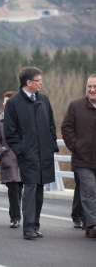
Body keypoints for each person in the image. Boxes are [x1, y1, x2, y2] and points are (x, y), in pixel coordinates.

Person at [4, 67, 58, 240]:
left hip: (44, 154)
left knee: (40, 192)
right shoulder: (14, 103)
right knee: (30, 189)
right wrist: (22, 151)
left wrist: (52, 146)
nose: (41, 82)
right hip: (28, 155)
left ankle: (35, 226)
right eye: (38, 80)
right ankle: (28, 229)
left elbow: (51, 125)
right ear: (29, 82)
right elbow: (10, 133)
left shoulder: (43, 99)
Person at [61, 74, 96, 238]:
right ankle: (92, 226)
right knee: (89, 191)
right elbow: (66, 127)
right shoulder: (76, 106)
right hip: (82, 159)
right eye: (89, 86)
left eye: (95, 87)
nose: (92, 89)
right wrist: (75, 146)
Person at [0, 91, 23, 228]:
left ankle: (23, 216)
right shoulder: (0, 120)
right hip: (9, 159)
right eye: (4, 101)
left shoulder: (26, 118)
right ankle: (15, 217)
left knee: (21, 187)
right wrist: (2, 151)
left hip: (25, 159)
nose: (4, 103)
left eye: (7, 101)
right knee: (14, 188)